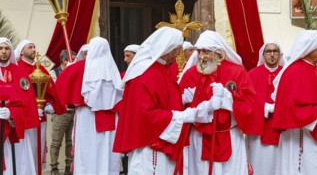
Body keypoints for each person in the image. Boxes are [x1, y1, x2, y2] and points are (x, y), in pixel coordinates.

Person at [114, 27, 220, 175]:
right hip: (151, 146)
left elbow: (162, 101)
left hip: (161, 143)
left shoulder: (160, 70)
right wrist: (182, 116)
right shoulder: (146, 73)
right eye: (177, 50)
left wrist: (182, 100)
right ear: (168, 49)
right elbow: (145, 115)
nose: (178, 55)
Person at [179, 30, 263, 175]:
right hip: (200, 138)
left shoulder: (236, 72)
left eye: (206, 51)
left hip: (230, 136)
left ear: (218, 52)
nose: (200, 56)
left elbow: (249, 104)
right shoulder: (191, 74)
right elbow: (178, 106)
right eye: (199, 51)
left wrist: (228, 98)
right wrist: (184, 99)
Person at [56, 37, 122, 175]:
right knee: (106, 152)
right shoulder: (112, 70)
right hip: (109, 117)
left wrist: (69, 70)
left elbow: (61, 86)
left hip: (87, 116)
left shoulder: (77, 68)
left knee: (87, 152)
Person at [272, 30, 317, 175]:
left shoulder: (316, 69)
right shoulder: (294, 71)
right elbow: (289, 109)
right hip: (302, 135)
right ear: (311, 47)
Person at [14, 39, 66, 174]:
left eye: (34, 47)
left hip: (41, 116)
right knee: (27, 148)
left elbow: (50, 89)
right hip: (25, 117)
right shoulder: (18, 68)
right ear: (21, 52)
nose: (33, 49)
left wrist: (51, 104)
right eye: (30, 47)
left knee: (39, 145)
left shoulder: (40, 68)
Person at [245, 40, 285, 175]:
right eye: (268, 51)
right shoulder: (252, 74)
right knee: (259, 162)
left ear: (280, 54)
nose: (272, 55)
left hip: (282, 129)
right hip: (258, 128)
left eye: (275, 51)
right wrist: (263, 107)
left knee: (281, 163)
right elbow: (245, 100)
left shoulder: (286, 74)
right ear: (263, 55)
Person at [0, 37, 38, 175]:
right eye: (1, 48)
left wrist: (11, 113)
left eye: (6, 48)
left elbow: (26, 102)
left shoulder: (20, 73)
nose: (4, 52)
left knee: (19, 164)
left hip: (16, 127)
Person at [49, 50, 77, 175]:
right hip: (61, 111)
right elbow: (55, 90)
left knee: (71, 141)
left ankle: (68, 167)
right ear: (64, 60)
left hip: (74, 111)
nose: (76, 61)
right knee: (56, 141)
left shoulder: (76, 71)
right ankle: (54, 167)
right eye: (73, 59)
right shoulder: (54, 73)